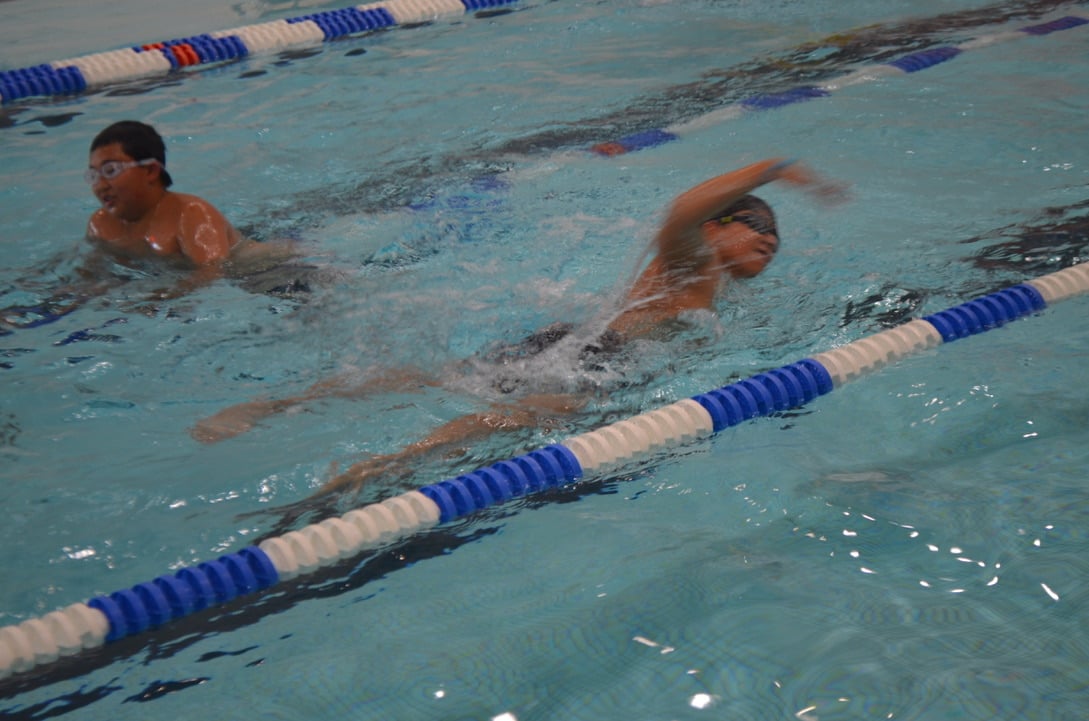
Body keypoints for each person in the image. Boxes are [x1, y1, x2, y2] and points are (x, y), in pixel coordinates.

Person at [192, 158, 846, 498]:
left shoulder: (708, 278)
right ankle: (369, 473)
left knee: (436, 379)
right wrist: (772, 168)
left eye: (777, 237)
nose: (771, 241)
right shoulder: (691, 258)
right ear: (718, 228)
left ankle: (277, 406)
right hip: (598, 356)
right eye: (757, 227)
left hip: (573, 339)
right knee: (516, 419)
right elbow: (681, 207)